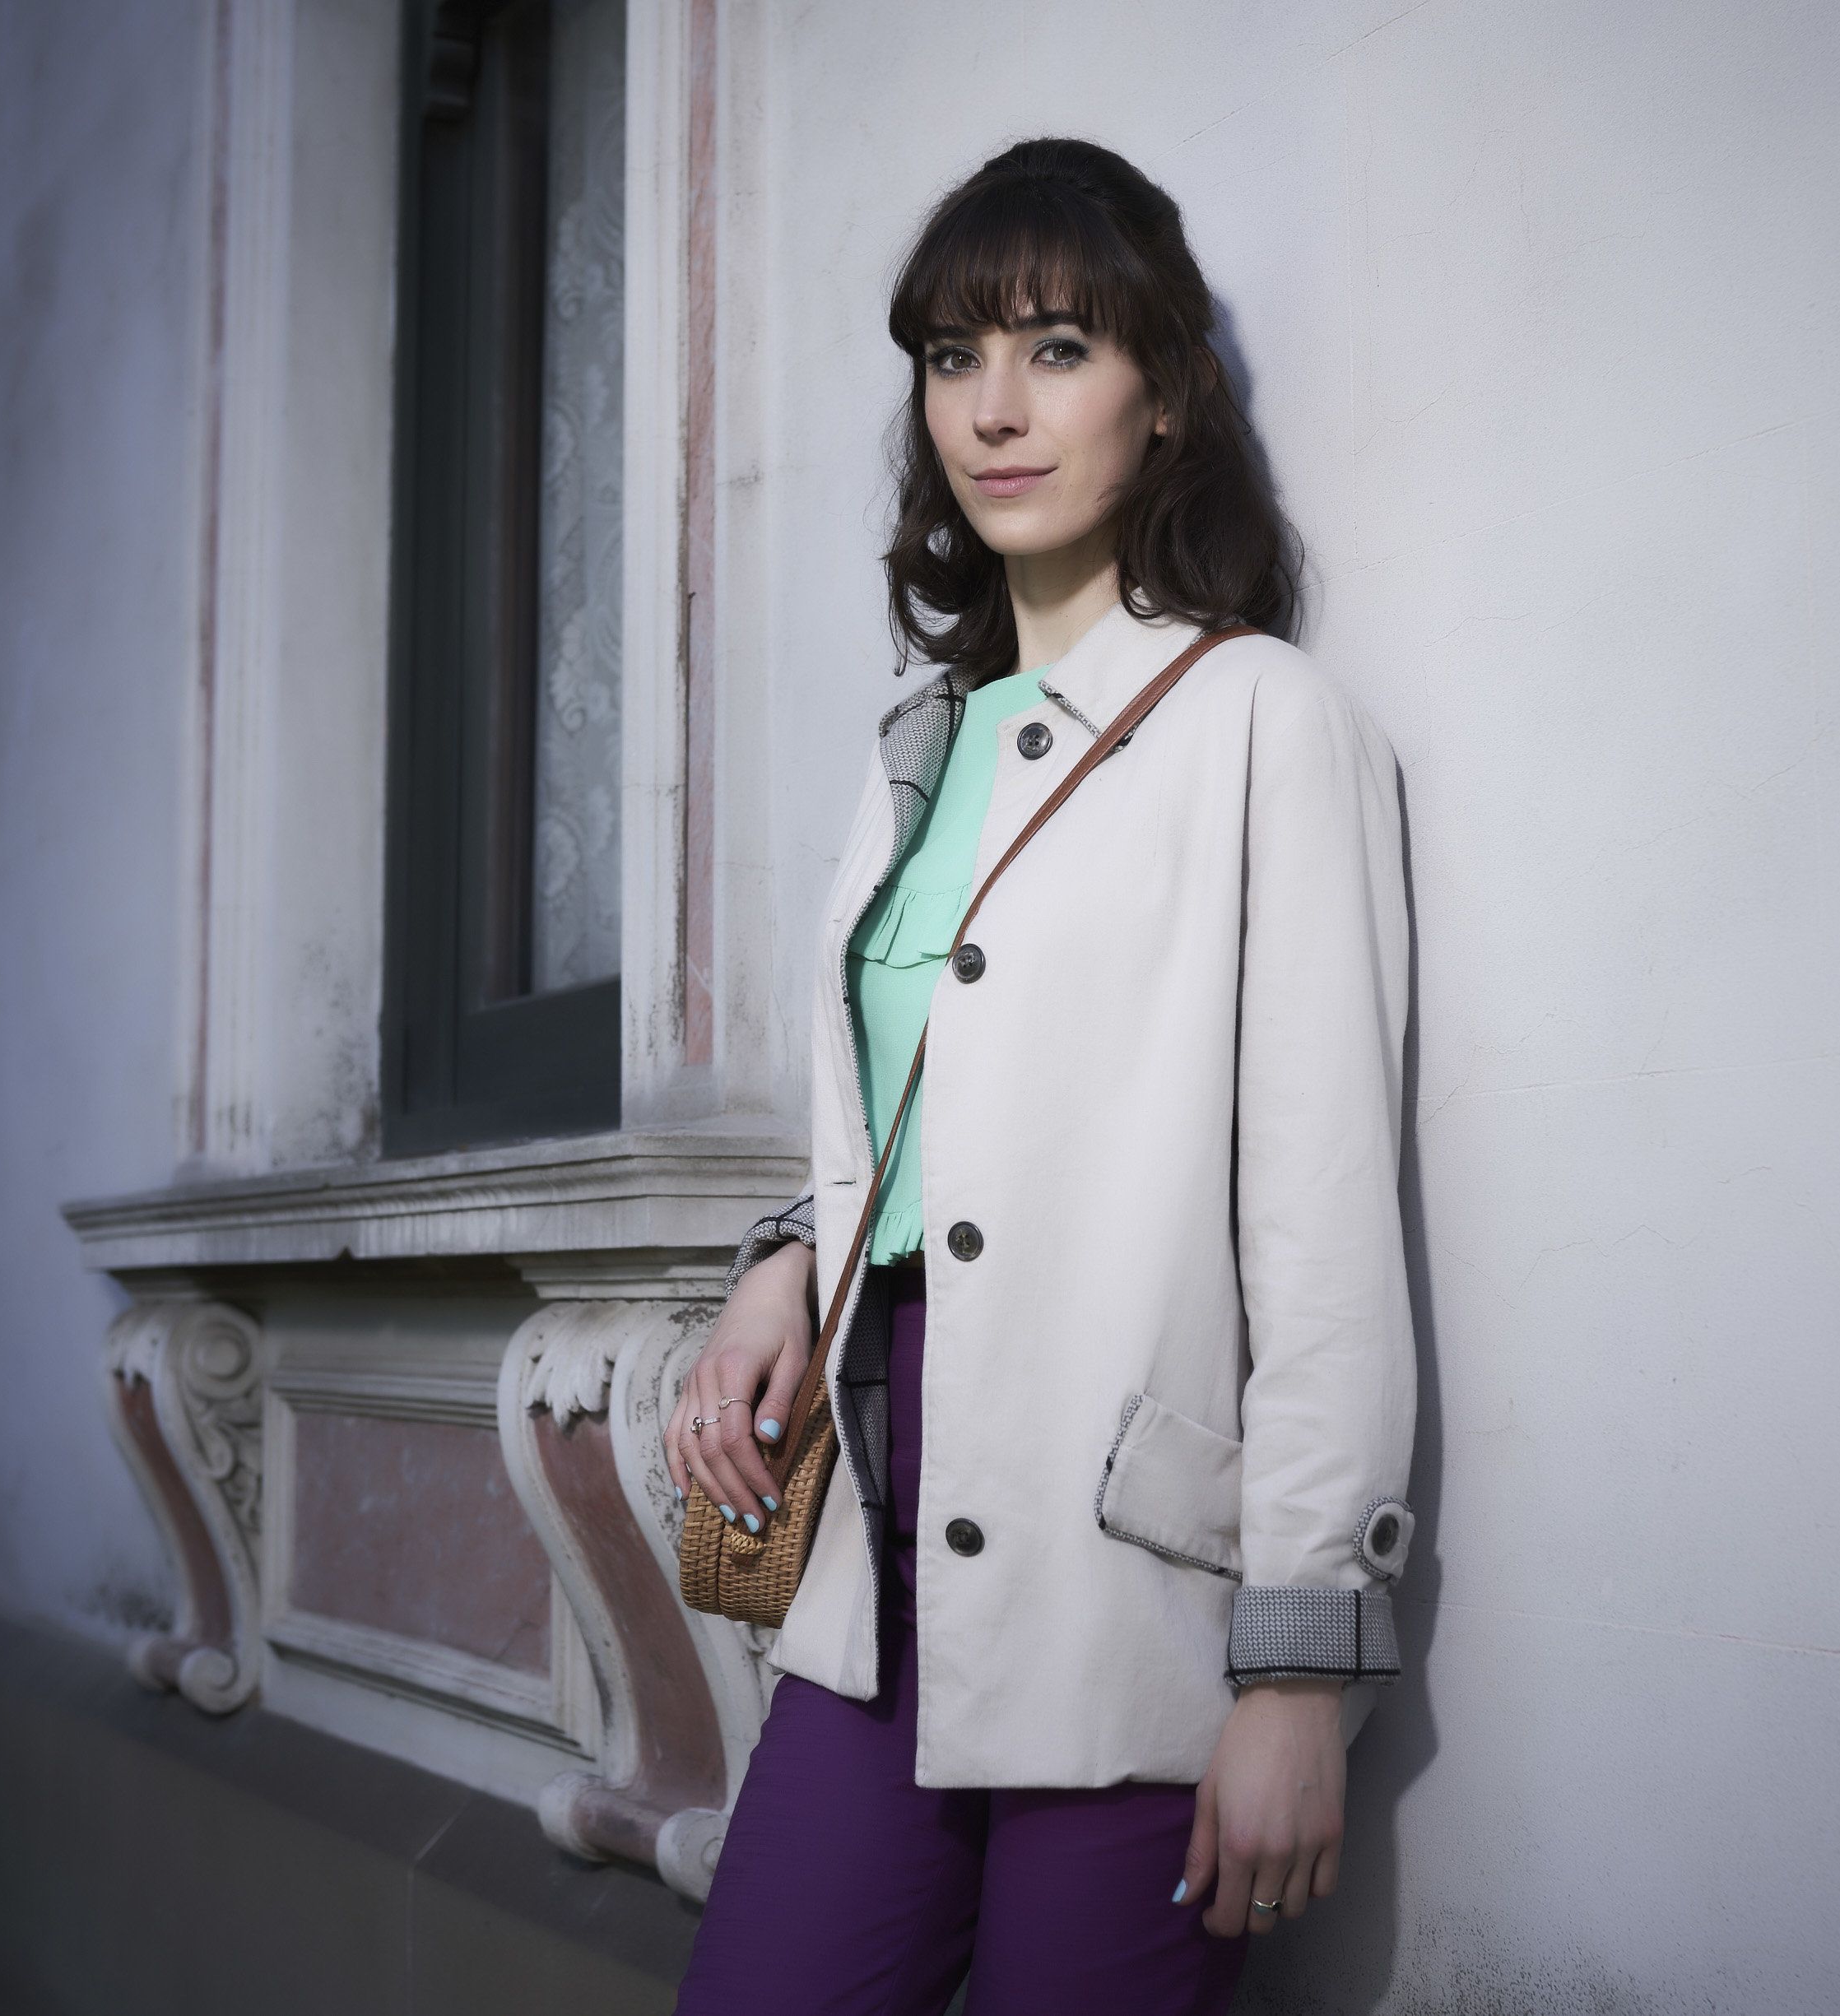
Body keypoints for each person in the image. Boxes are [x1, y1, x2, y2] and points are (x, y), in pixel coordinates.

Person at [667, 137, 1417, 2016]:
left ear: (1165, 397)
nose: (992, 410)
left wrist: (1297, 1667)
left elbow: (1322, 1225)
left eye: (1058, 349)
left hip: (1123, 1579)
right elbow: (934, 1101)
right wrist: (788, 1253)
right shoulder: (918, 748)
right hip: (873, 1552)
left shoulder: (1262, 722)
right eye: (953, 357)